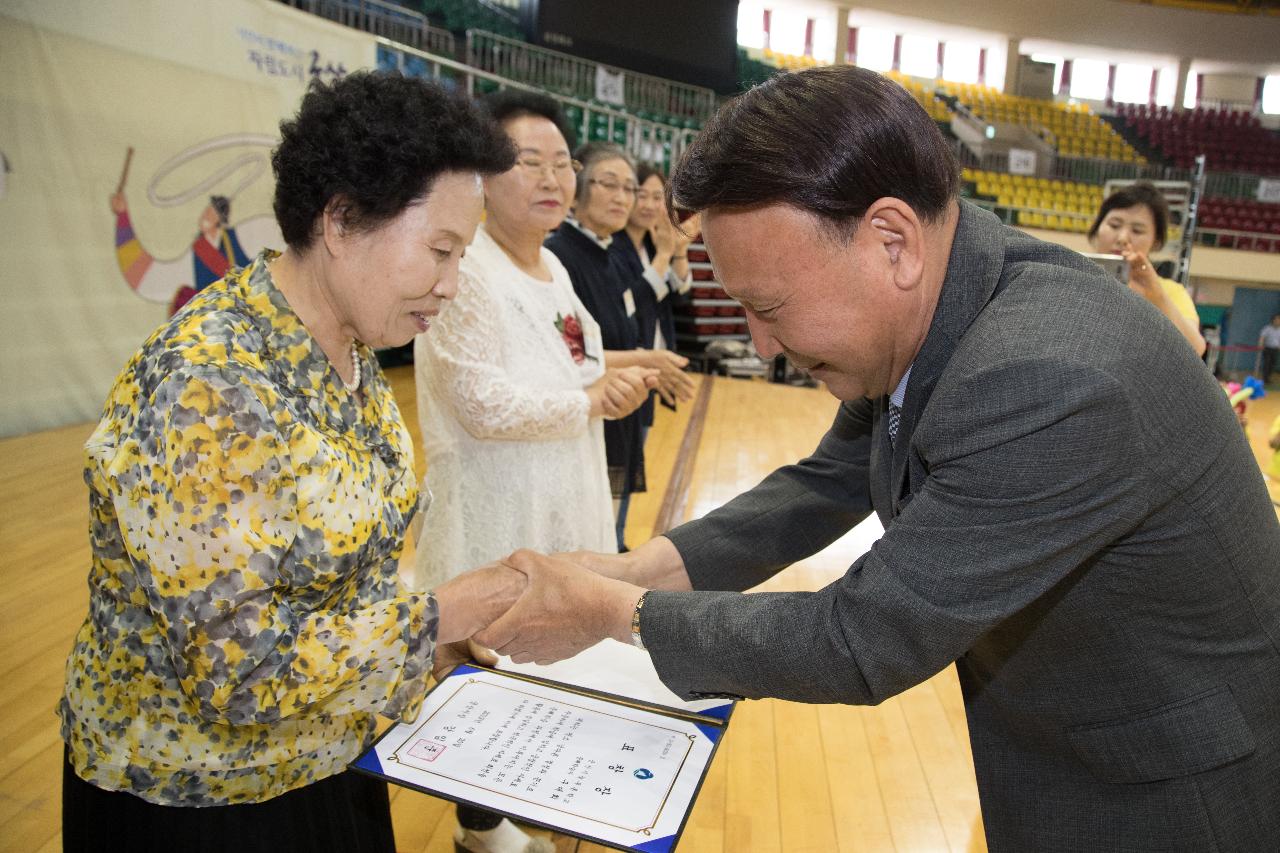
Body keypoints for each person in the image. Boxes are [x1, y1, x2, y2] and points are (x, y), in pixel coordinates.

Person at [467, 66, 1280, 850]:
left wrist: (615, 614)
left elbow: (863, 635)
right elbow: (825, 481)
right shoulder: (957, 294)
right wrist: (632, 570)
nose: (762, 344)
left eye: (770, 307)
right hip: (1087, 731)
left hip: (1168, 789)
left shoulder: (1045, 375)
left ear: (892, 239)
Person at [59, 72, 522, 853]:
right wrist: (439, 613)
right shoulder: (208, 384)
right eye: (440, 250)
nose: (450, 285)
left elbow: (336, 581)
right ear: (341, 220)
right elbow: (237, 670)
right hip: (198, 802)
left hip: (325, 758)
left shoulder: (347, 346)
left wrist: (424, 644)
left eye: (461, 255)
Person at [409, 89, 655, 853]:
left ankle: (519, 804)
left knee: (545, 651)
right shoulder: (466, 269)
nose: (553, 178)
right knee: (483, 658)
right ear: (482, 176)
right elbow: (479, 399)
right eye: (528, 162)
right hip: (493, 501)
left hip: (559, 489)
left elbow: (570, 364)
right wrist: (589, 400)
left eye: (562, 163)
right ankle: (478, 826)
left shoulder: (552, 265)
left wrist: (618, 371)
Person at [544, 143, 694, 550]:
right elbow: (569, 356)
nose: (623, 198)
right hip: (586, 409)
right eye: (609, 184)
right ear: (577, 190)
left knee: (607, 517)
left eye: (629, 188)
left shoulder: (607, 252)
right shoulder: (560, 256)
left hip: (621, 396)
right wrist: (646, 359)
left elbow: (630, 317)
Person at [1087, 182, 1206, 357]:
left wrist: (1155, 295)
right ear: (1097, 229)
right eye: (1114, 225)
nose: (1122, 238)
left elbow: (1195, 350)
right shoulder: (1072, 277)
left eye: (1137, 230)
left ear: (1156, 241)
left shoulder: (1171, 292)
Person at [1259, 313, 1280, 386]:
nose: (1278, 321)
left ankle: (1268, 378)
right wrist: (1260, 345)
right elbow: (1262, 337)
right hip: (1268, 349)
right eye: (1277, 319)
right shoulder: (1267, 328)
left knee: (1273, 364)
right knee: (1267, 363)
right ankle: (1265, 379)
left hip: (1276, 350)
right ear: (1273, 320)